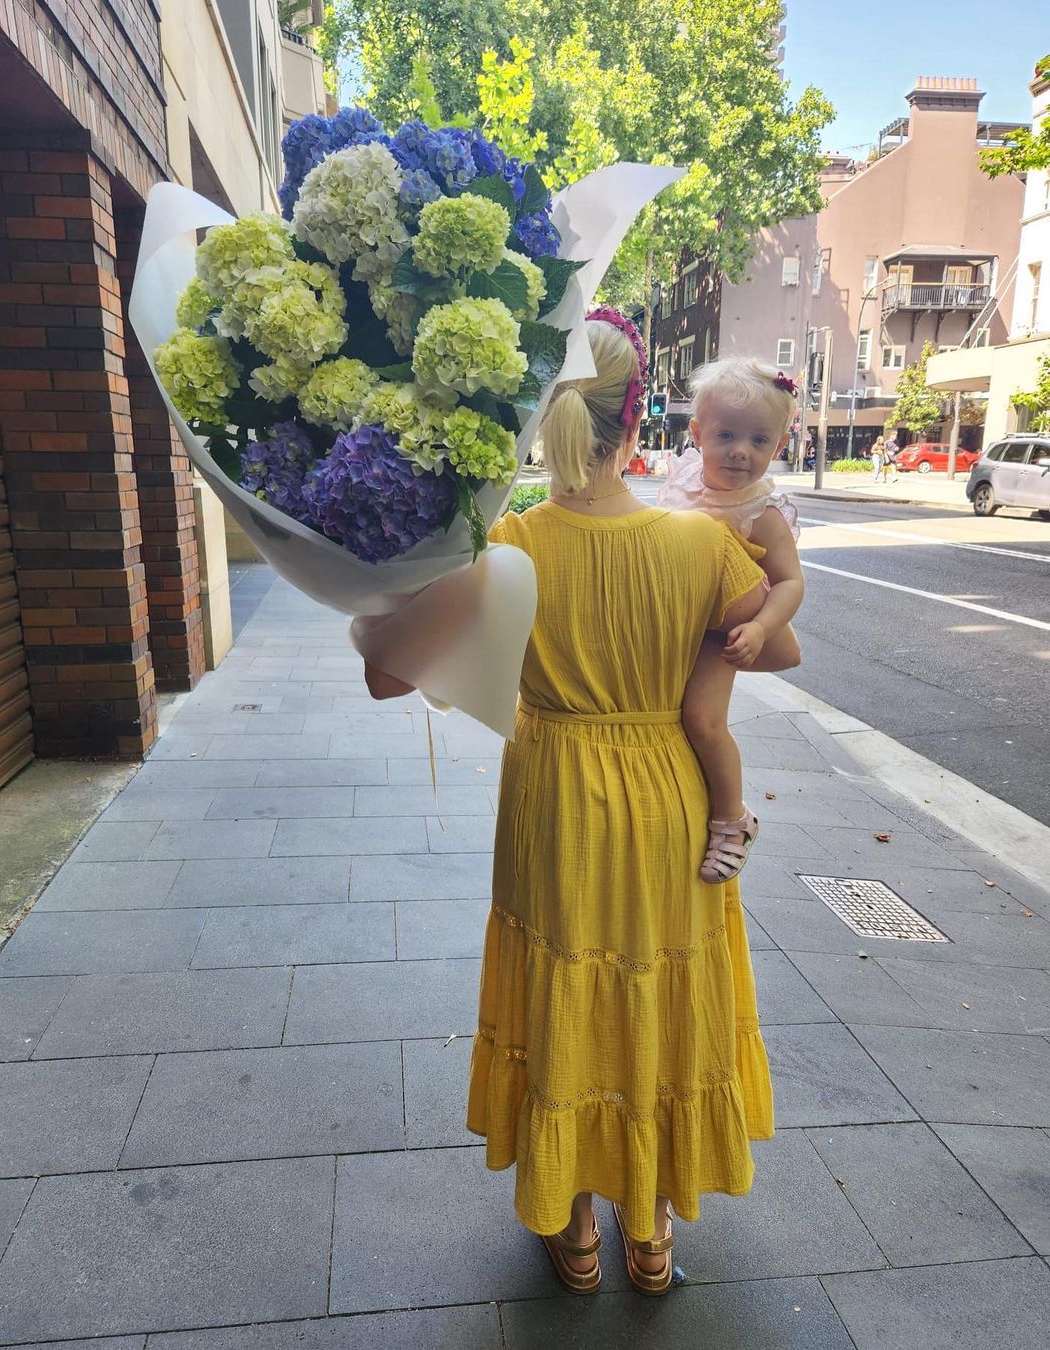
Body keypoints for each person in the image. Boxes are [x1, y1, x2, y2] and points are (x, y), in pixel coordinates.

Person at [366, 310, 777, 1296]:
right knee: (660, 988)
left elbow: (385, 676)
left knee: (568, 991)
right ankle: (653, 1231)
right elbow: (774, 641)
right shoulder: (701, 541)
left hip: (554, 799)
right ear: (638, 421)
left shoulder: (509, 543)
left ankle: (579, 1228)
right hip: (671, 794)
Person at [659, 360, 805, 882]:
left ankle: (732, 820)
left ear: (779, 446)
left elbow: (790, 582)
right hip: (679, 616)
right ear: (697, 433)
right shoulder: (682, 477)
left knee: (702, 720)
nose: (741, 451)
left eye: (758, 440)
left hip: (720, 633)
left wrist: (761, 627)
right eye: (726, 435)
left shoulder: (760, 511)